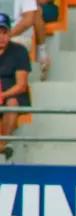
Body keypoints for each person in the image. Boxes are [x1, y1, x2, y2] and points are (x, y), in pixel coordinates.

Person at [0, 13, 30, 160]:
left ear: (10, 33)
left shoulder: (19, 51)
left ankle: (2, 144)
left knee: (11, 103)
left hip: (11, 96)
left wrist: (3, 95)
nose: (1, 37)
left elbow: (21, 85)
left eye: (4, 32)